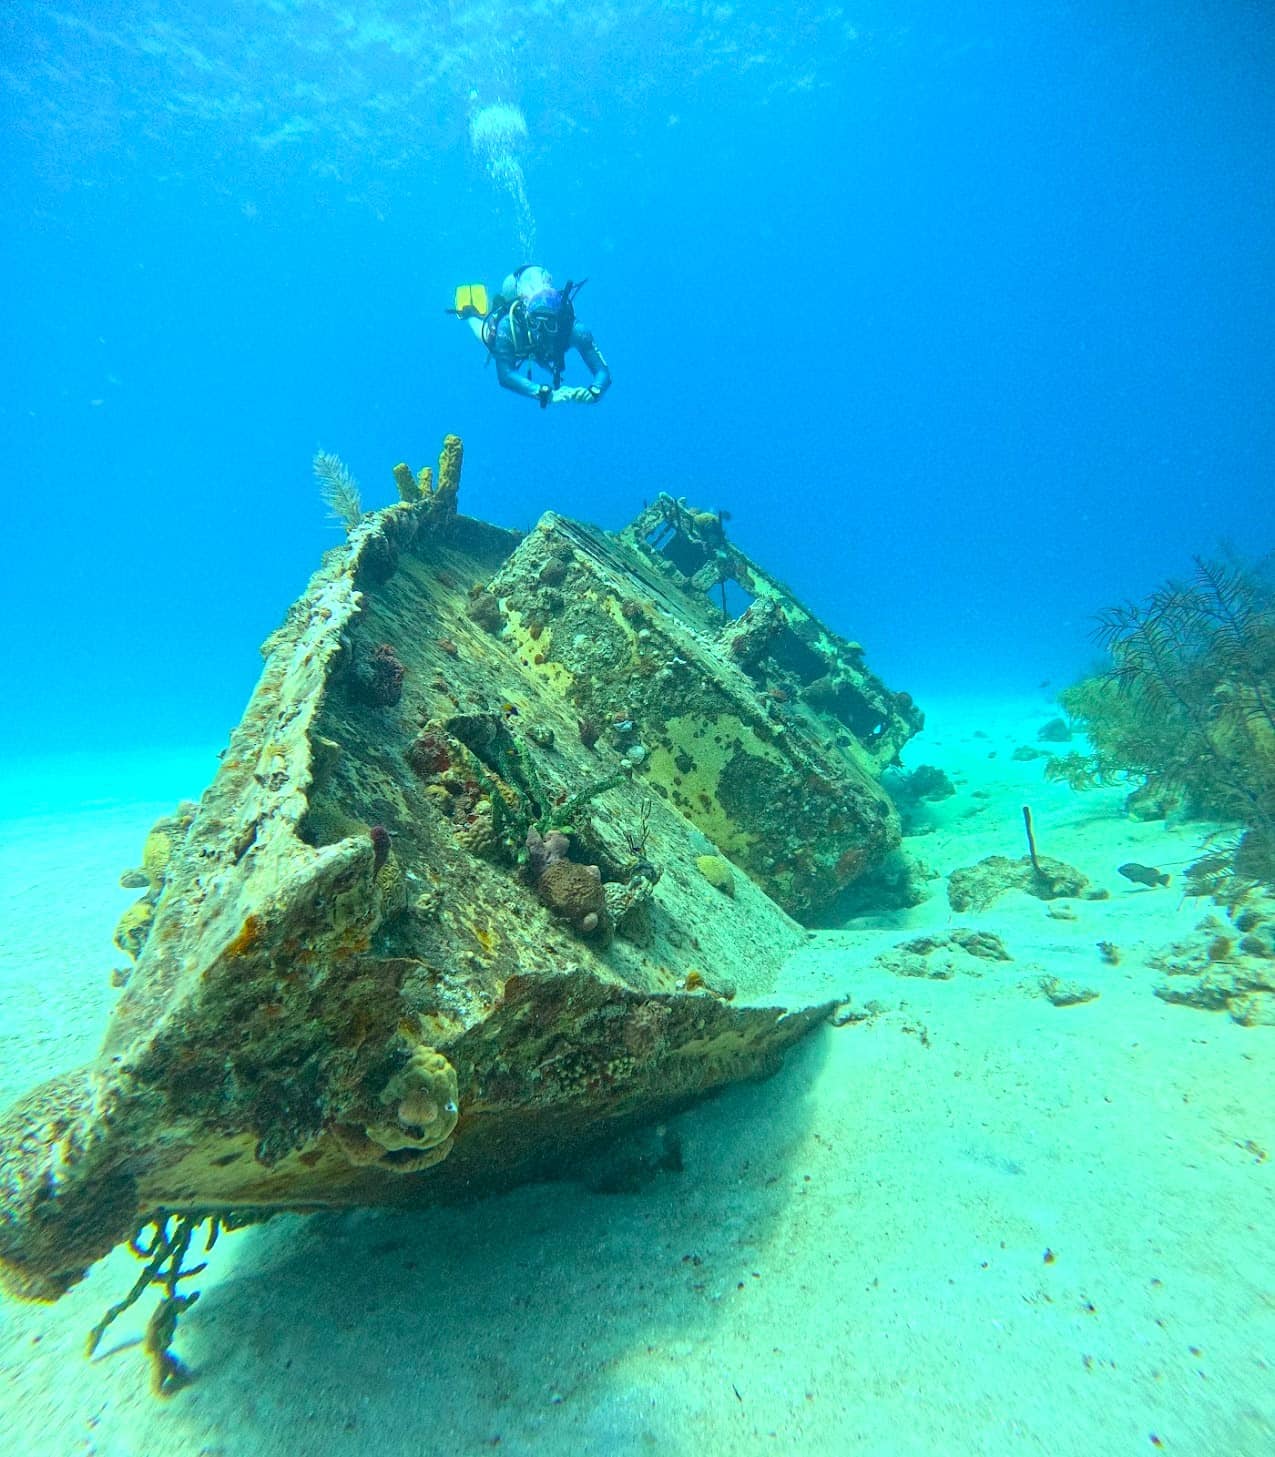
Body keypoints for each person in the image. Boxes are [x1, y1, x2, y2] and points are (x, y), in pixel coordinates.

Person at [453, 265, 611, 408]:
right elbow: (505, 375)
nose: (541, 331)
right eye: (535, 324)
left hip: (530, 336)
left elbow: (603, 373)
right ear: (526, 316)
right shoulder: (509, 326)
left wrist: (596, 390)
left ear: (559, 319)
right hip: (518, 322)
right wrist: (540, 391)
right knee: (488, 338)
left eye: (549, 325)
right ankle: (470, 313)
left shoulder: (574, 329)